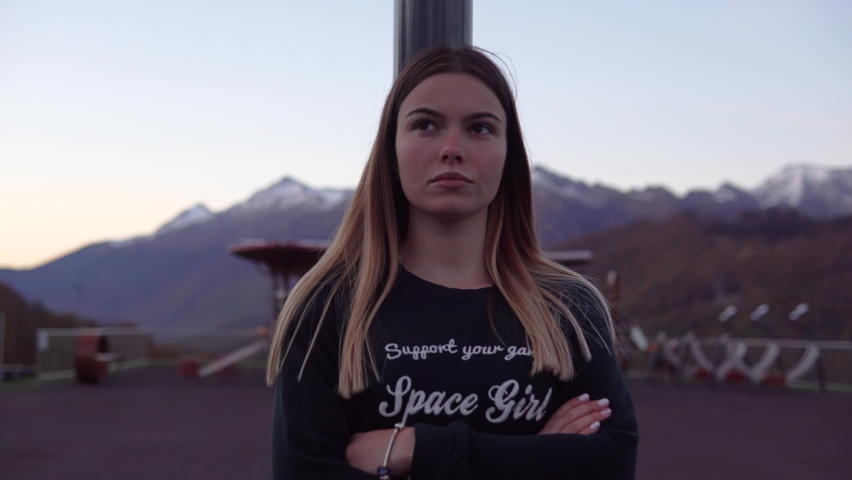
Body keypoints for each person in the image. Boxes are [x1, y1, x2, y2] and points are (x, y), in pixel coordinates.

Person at [267, 45, 639, 480]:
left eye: (480, 128)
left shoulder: (570, 308)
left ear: (509, 155)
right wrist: (535, 457)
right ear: (391, 151)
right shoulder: (328, 305)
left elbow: (611, 465)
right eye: (425, 125)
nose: (452, 149)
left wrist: (416, 448)